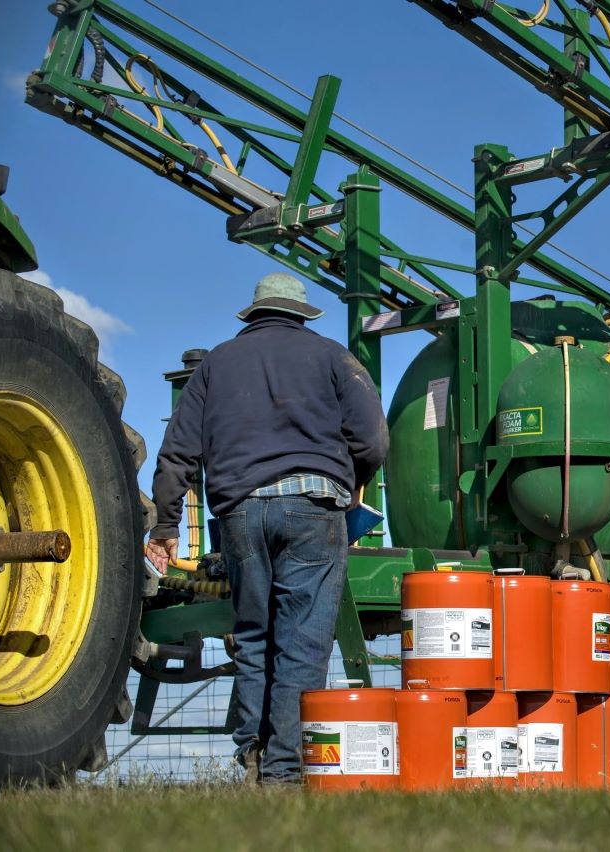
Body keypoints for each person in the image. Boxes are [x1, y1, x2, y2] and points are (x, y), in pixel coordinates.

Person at [146, 272, 389, 784]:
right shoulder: (333, 357)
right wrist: (351, 483)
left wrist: (166, 525)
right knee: (302, 641)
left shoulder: (216, 364)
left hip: (239, 513)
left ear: (252, 315)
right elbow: (372, 441)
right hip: (312, 509)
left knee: (254, 636)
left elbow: (178, 453)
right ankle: (285, 773)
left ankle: (254, 756)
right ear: (302, 315)